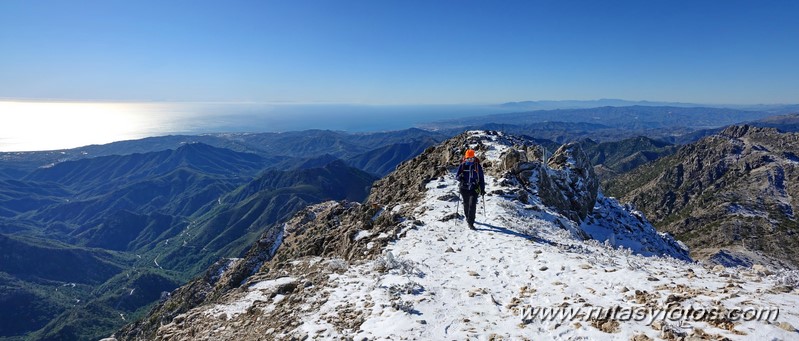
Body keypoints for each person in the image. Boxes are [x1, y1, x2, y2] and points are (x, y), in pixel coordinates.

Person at [456, 149, 485, 230]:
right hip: (464, 188)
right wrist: (460, 178)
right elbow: (457, 176)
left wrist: (482, 189)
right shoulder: (462, 165)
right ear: (465, 158)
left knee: (472, 205)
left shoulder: (477, 166)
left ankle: (470, 222)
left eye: (472, 158)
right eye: (468, 158)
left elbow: (481, 178)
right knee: (466, 204)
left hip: (474, 188)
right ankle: (468, 217)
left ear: (474, 157)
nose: (470, 160)